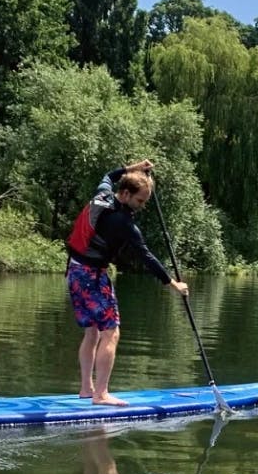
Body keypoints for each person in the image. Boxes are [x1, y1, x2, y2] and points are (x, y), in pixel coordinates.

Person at [65, 159, 188, 405]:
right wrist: (172, 283)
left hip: (74, 271)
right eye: (140, 201)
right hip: (92, 276)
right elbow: (146, 256)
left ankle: (86, 389)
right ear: (125, 194)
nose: (142, 206)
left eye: (145, 201)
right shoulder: (124, 223)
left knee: (92, 332)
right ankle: (101, 394)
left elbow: (108, 174)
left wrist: (134, 168)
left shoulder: (103, 195)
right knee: (111, 332)